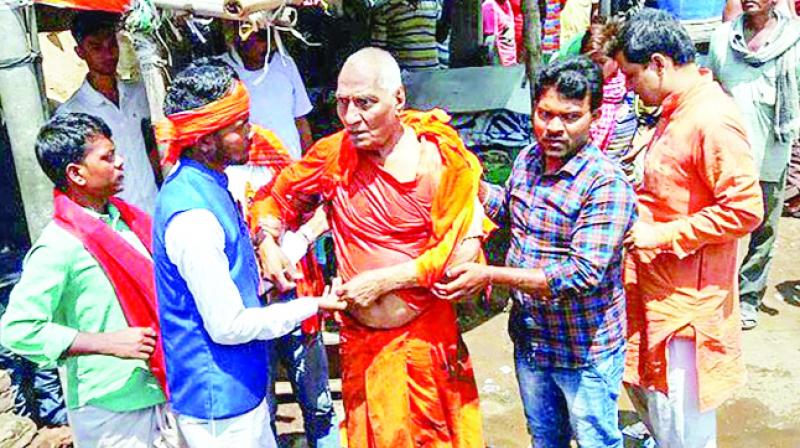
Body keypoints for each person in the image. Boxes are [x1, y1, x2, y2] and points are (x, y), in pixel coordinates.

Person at [250, 47, 489, 447]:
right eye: (342, 104)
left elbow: (459, 256)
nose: (351, 118)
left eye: (365, 103)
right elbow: (275, 195)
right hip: (363, 345)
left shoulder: (440, 159)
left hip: (424, 343)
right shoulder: (334, 155)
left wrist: (383, 281)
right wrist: (267, 242)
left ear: (398, 99)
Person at [437, 56, 638, 448]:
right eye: (545, 114)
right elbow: (511, 210)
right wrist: (472, 183)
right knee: (545, 438)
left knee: (596, 440)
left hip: (583, 351)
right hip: (532, 341)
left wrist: (490, 275)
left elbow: (580, 275)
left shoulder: (605, 184)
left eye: (570, 116)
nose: (554, 127)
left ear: (594, 117)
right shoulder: (529, 158)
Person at [152, 60, 346, 447]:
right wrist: (314, 304)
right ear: (205, 139)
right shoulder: (193, 216)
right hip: (220, 405)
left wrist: (302, 237)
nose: (251, 132)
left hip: (239, 388)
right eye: (240, 125)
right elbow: (229, 325)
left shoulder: (210, 184)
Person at [612, 9, 764, 447]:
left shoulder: (711, 117)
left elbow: (745, 209)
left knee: (685, 429)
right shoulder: (674, 111)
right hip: (658, 291)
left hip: (687, 308)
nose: (628, 86)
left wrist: (663, 234)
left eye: (632, 74)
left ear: (659, 63)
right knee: (662, 415)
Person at [0, 113, 167, 447]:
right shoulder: (59, 246)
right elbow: (18, 328)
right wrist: (107, 343)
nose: (121, 161)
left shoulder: (128, 221)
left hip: (161, 386)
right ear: (75, 174)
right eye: (106, 157)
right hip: (111, 404)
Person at [224, 129, 342, 448]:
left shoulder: (289, 178)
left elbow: (326, 208)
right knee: (265, 411)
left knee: (317, 405)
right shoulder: (216, 186)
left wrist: (299, 240)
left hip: (297, 297)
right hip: (250, 307)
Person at [708, 0, 800, 330]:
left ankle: (748, 297)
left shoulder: (794, 41)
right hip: (725, 154)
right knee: (718, 224)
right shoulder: (723, 39)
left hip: (771, 152)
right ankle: (715, 293)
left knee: (764, 230)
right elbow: (712, 89)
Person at [57, 11, 160, 215]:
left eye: (112, 44)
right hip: (116, 220)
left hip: (155, 206)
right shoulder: (71, 114)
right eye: (96, 47)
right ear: (80, 52)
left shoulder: (141, 92)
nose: (108, 54)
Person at [221, 28, 314, 160]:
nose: (270, 45)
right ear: (241, 37)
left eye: (273, 37)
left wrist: (308, 163)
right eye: (263, 37)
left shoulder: (285, 63)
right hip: (245, 170)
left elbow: (300, 118)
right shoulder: (222, 69)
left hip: (290, 164)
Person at [371, 0, 442, 71]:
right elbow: (378, 50)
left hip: (432, 72)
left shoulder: (433, 5)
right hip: (402, 74)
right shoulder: (384, 8)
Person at [481, 0, 517, 66]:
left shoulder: (506, 3)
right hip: (501, 66)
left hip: (511, 63)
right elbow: (490, 41)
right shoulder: (489, 6)